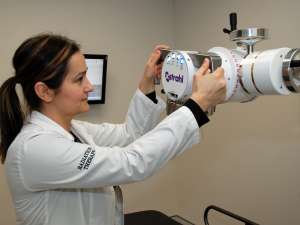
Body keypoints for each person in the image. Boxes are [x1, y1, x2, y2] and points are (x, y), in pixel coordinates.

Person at [0, 34, 226, 225]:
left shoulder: (73, 130)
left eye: (87, 75)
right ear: (45, 92)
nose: (89, 86)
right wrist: (196, 106)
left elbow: (130, 135)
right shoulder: (34, 149)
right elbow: (132, 162)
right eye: (79, 79)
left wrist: (148, 82)